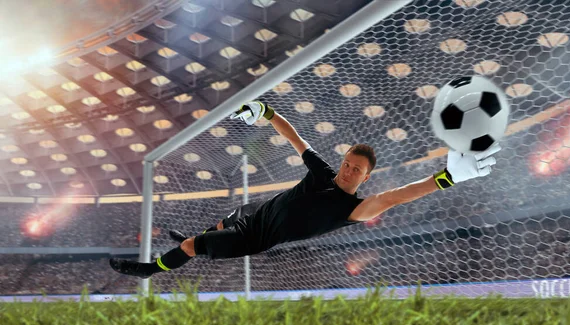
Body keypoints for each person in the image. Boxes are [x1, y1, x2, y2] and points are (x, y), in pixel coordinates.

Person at [110, 101, 501, 278]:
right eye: (348, 163)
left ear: (365, 178)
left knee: (193, 247)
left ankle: (149, 270)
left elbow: (392, 197)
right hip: (255, 212)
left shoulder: (352, 209)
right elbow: (296, 138)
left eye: (356, 170)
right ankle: (199, 238)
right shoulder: (322, 172)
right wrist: (266, 112)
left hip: (256, 237)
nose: (348, 171)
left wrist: (443, 179)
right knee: (225, 218)